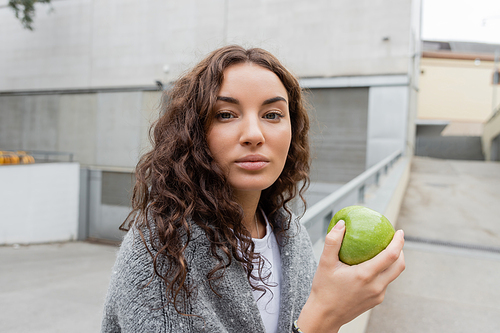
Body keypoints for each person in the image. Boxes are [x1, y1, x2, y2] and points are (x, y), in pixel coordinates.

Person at [101, 45, 405, 333]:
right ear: (193, 133)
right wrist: (323, 318)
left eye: (272, 115)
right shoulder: (159, 250)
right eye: (225, 114)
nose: (253, 134)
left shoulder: (292, 239)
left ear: (292, 131)